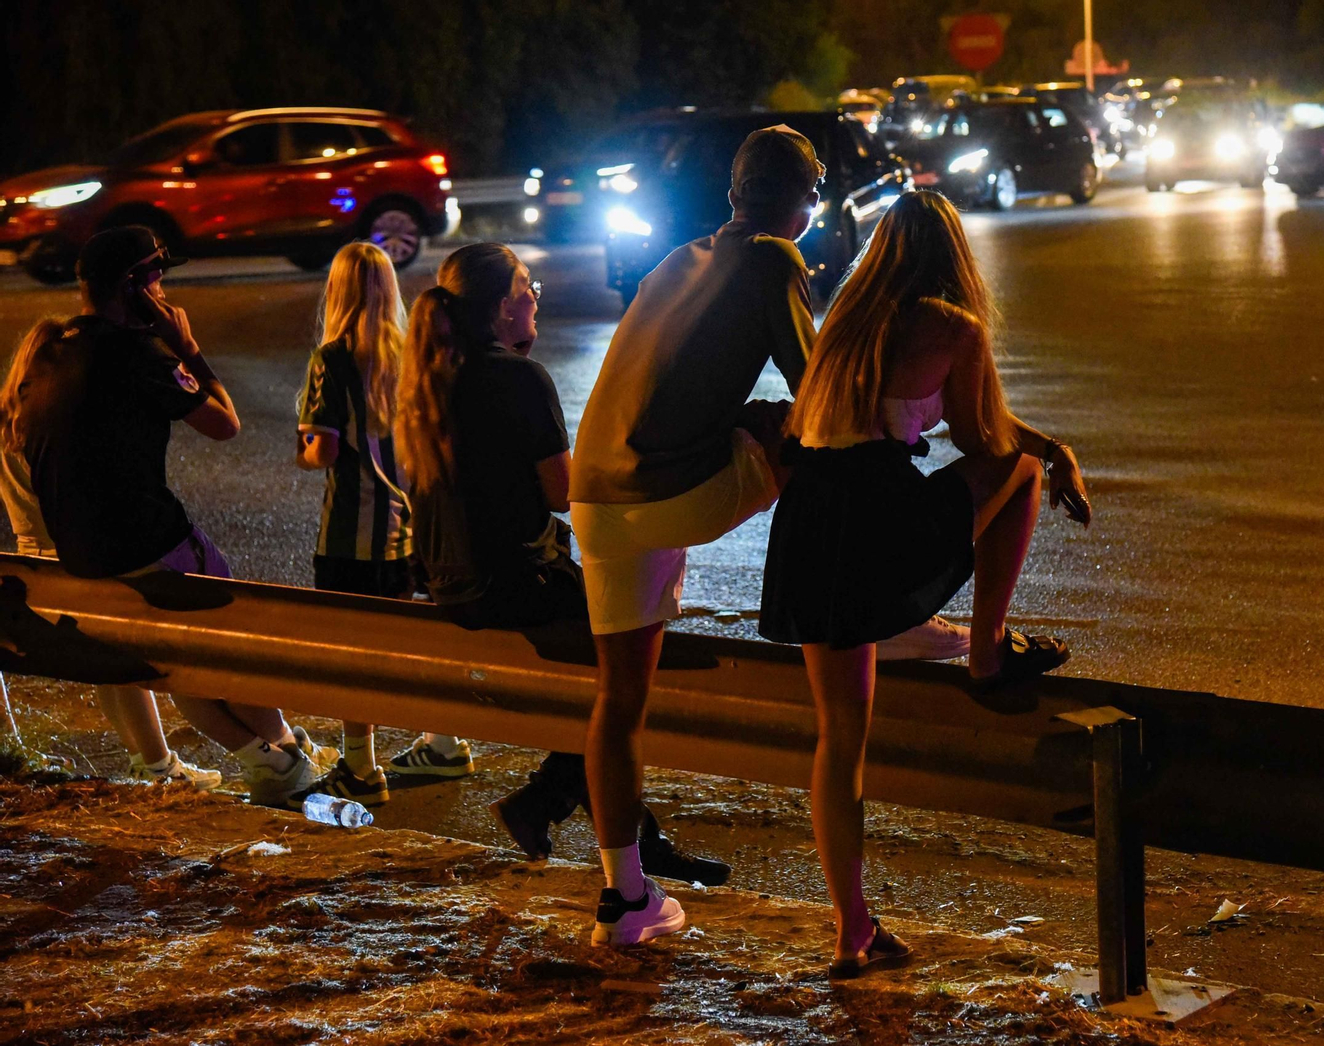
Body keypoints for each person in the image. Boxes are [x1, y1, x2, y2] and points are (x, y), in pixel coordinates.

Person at [757, 190, 1093, 977]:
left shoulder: (846, 323)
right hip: (879, 519)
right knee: (1020, 474)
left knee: (840, 740)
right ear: (954, 256)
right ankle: (987, 650)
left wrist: (1048, 444)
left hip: (811, 526)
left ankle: (852, 928)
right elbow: (986, 440)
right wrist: (1052, 453)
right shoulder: (952, 326)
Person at [393, 242, 727, 884]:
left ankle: (632, 839)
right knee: (626, 682)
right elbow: (560, 493)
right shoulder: (519, 378)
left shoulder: (430, 375)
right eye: (528, 287)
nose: (536, 299)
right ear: (502, 307)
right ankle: (546, 802)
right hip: (520, 581)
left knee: (609, 688)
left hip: (451, 584)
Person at [569, 126, 823, 946]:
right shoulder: (775, 257)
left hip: (594, 497)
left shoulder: (677, 260)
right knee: (808, 436)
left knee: (619, 701)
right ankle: (860, 613)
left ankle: (624, 899)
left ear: (732, 194)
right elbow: (818, 386)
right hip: (669, 491)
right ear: (806, 201)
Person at [15, 225, 337, 806]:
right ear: (134, 287)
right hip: (150, 544)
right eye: (159, 279)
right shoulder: (137, 354)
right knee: (229, 649)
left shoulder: (48, 353)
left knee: (171, 664)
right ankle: (289, 756)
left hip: (82, 556)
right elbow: (224, 424)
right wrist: (186, 348)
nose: (166, 292)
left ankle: (271, 761)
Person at [0, 316, 222, 788]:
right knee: (126, 659)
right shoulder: (48, 419)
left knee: (106, 664)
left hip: (32, 558)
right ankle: (158, 763)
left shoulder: (11, 421)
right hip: (68, 551)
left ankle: (150, 759)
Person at [290, 242, 416, 808]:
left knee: (351, 655)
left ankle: (361, 768)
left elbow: (323, 450)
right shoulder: (411, 352)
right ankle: (446, 741)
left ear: (337, 291)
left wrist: (302, 451)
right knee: (407, 646)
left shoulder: (333, 358)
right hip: (406, 531)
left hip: (349, 535)